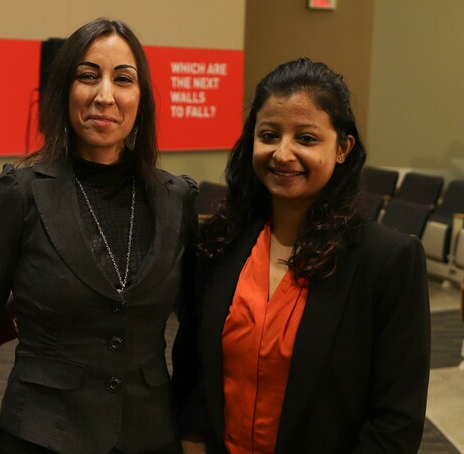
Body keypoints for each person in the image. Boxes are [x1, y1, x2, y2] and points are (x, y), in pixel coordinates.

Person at [172, 58, 430, 453]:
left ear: (342, 148)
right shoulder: (217, 246)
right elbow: (194, 379)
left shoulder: (388, 261)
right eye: (269, 135)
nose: (283, 153)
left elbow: (396, 422)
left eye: (306, 139)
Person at [0, 18, 198, 454]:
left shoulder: (177, 199)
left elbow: (193, 335)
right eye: (88, 76)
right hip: (42, 434)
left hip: (151, 434)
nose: (104, 95)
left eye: (123, 79)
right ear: (64, 91)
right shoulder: (20, 192)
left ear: (141, 97)